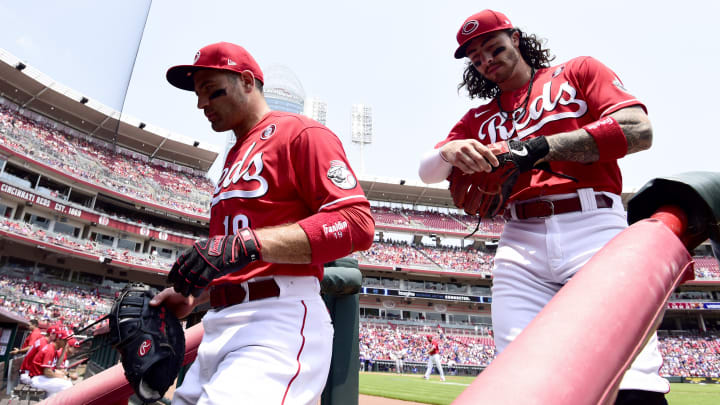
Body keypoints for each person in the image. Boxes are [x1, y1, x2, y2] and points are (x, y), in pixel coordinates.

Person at [418, 9, 668, 405]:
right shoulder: (479, 118)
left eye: (491, 47)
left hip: (594, 225)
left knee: (628, 369)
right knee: (519, 377)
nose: (485, 60)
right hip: (520, 243)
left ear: (515, 38)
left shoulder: (577, 72)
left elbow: (638, 129)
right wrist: (448, 150)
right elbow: (427, 172)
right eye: (475, 58)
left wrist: (537, 148)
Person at [151, 42, 374, 405]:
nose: (201, 104)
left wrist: (247, 242)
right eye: (198, 95)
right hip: (219, 324)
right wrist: (193, 296)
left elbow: (356, 223)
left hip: (277, 321)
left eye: (212, 91)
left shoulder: (301, 132)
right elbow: (235, 260)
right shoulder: (234, 155)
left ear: (247, 81)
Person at [30, 328, 72, 398]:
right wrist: (61, 377)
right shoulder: (50, 349)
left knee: (65, 379)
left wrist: (64, 349)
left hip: (41, 377)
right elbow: (47, 372)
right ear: (58, 340)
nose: (66, 343)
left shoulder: (53, 348)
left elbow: (56, 367)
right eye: (64, 340)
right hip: (37, 378)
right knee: (67, 385)